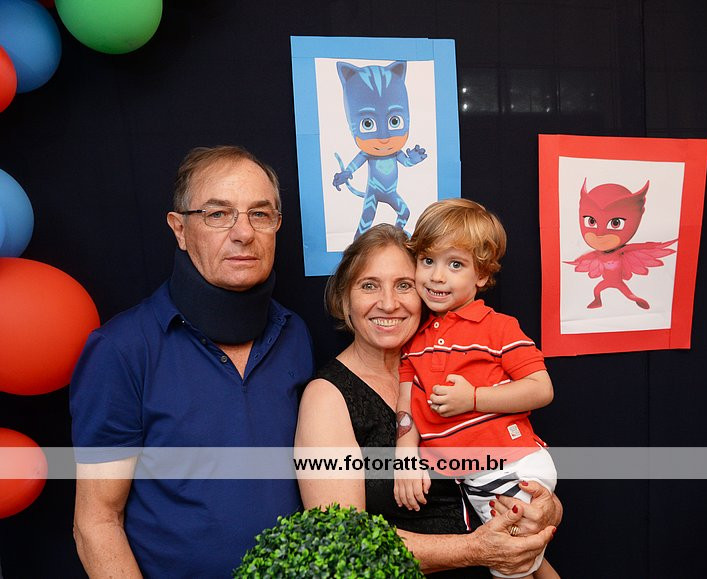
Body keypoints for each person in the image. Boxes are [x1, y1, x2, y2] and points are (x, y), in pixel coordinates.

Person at [70, 146, 314, 577]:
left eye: (260, 214)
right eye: (218, 214)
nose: (244, 233)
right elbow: (97, 522)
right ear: (180, 229)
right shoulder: (122, 349)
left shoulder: (294, 334)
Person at [295, 224, 560, 577]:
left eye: (404, 285)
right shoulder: (327, 398)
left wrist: (546, 509)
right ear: (345, 300)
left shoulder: (456, 365)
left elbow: (504, 476)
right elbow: (341, 539)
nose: (388, 303)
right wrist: (476, 550)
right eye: (369, 285)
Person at [393, 198, 558, 579]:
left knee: (512, 563)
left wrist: (474, 398)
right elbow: (406, 402)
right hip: (472, 475)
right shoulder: (414, 340)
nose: (437, 276)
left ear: (481, 275)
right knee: (524, 561)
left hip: (510, 463)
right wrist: (405, 456)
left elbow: (541, 389)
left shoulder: (497, 327)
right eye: (428, 261)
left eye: (455, 265)